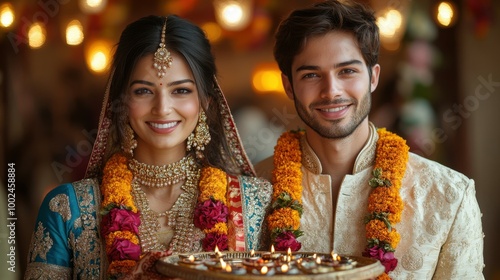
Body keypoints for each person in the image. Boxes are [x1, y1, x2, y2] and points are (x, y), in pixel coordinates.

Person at [25, 15, 272, 279]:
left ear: (206, 102)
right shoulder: (67, 209)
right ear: (120, 100)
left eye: (181, 91)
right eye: (143, 91)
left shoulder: (253, 203)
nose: (162, 109)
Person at [255, 0, 485, 279]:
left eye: (347, 71)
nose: (331, 91)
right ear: (289, 86)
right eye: (311, 75)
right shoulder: (253, 191)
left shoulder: (447, 195)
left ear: (373, 77)